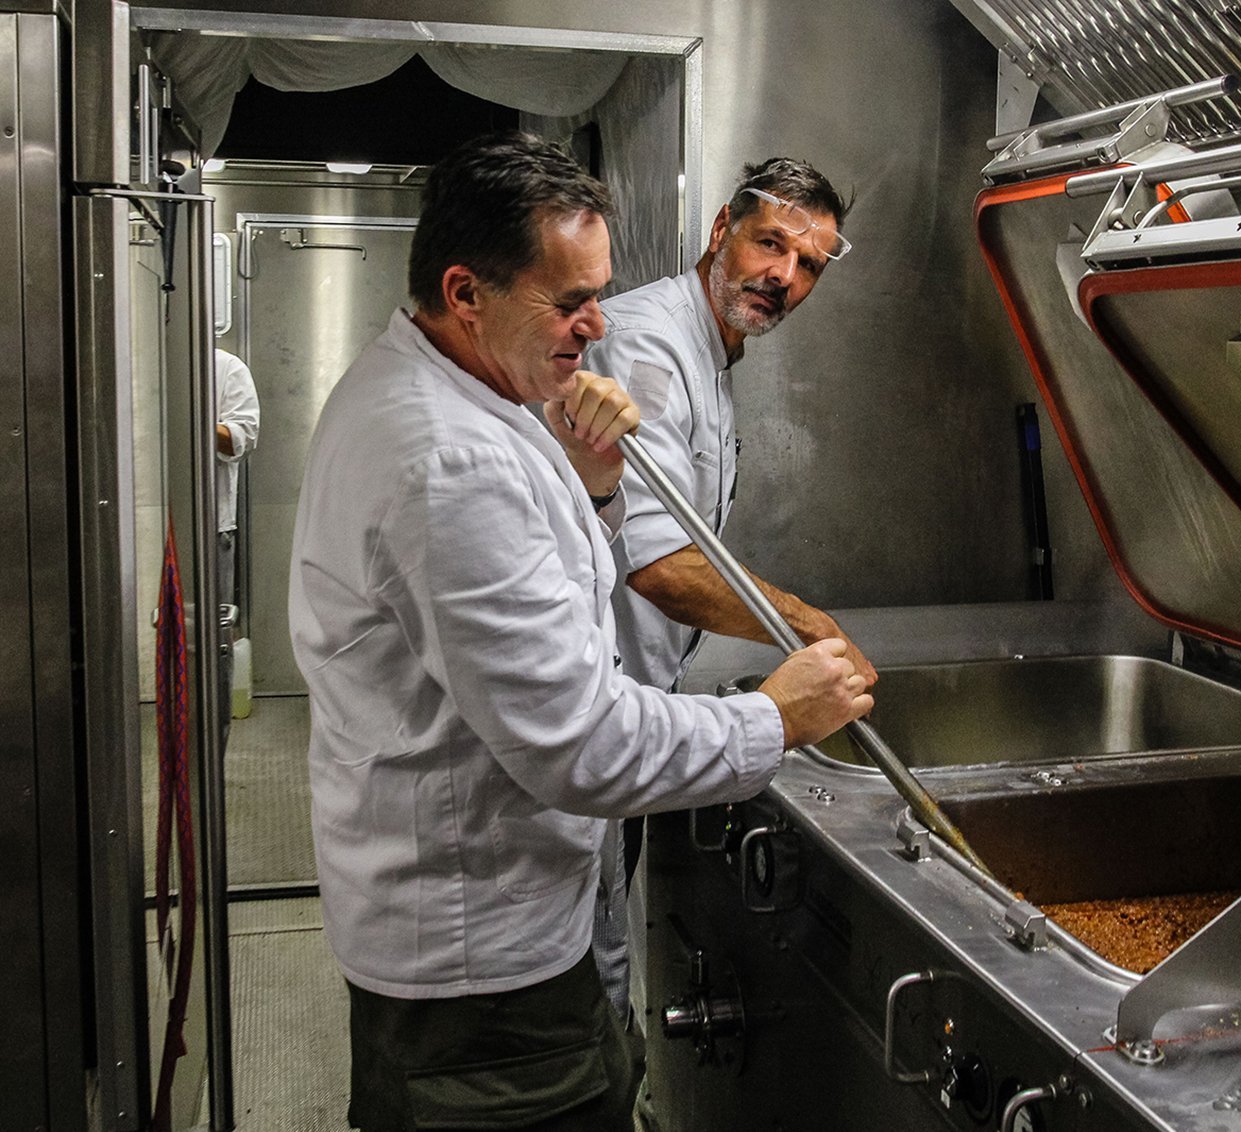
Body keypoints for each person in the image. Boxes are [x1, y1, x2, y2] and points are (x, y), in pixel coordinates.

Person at [287, 131, 871, 1132]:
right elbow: (582, 743)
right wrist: (773, 720)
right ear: (466, 292)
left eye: (597, 292)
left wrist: (595, 484)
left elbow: (549, 582)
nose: (599, 326)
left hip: (480, 915)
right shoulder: (448, 458)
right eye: (570, 303)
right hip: (479, 965)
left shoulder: (471, 387)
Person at [581, 158, 876, 1022]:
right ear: (721, 231)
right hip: (596, 700)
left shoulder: (710, 349)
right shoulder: (650, 343)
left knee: (604, 939)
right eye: (770, 243)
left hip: (635, 696)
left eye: (809, 263)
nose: (783, 276)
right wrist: (807, 627)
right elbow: (660, 565)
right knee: (591, 959)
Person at [214, 347, 259, 609]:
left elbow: (244, 438)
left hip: (211, 527)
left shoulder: (227, 367)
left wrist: (194, 419)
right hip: (145, 519)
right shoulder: (141, 366)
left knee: (211, 627)